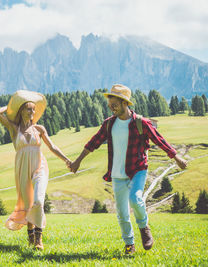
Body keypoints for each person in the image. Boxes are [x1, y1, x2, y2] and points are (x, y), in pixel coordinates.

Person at [69, 84, 187, 255]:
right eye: (110, 106)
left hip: (137, 169)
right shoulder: (109, 124)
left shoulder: (141, 123)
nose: (112, 108)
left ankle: (144, 227)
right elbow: (94, 142)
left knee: (135, 198)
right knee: (122, 212)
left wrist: (175, 157)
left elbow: (159, 139)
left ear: (125, 103)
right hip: (117, 173)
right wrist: (78, 161)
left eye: (115, 105)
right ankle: (129, 244)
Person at [0, 90, 71, 250]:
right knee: (29, 204)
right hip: (22, 170)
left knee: (38, 200)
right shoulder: (14, 129)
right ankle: (30, 237)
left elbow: (52, 146)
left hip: (39, 167)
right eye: (29, 108)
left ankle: (38, 239)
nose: (32, 112)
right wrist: (13, 106)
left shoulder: (39, 128)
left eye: (34, 109)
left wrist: (67, 160)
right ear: (21, 111)